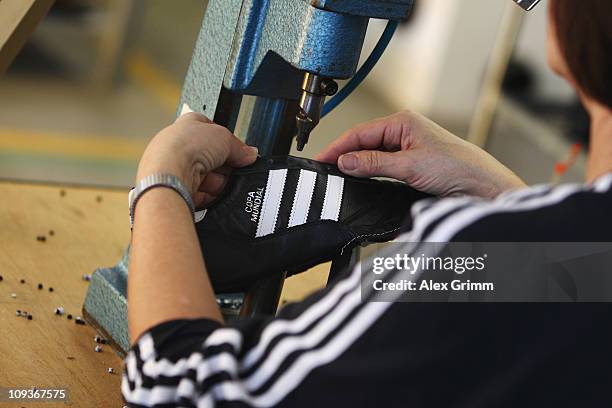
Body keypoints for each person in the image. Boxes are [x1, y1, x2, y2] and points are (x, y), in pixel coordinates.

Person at [122, 1, 612, 406]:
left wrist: (163, 179)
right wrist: (506, 195)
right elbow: (579, 279)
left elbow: (173, 385)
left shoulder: (470, 263)